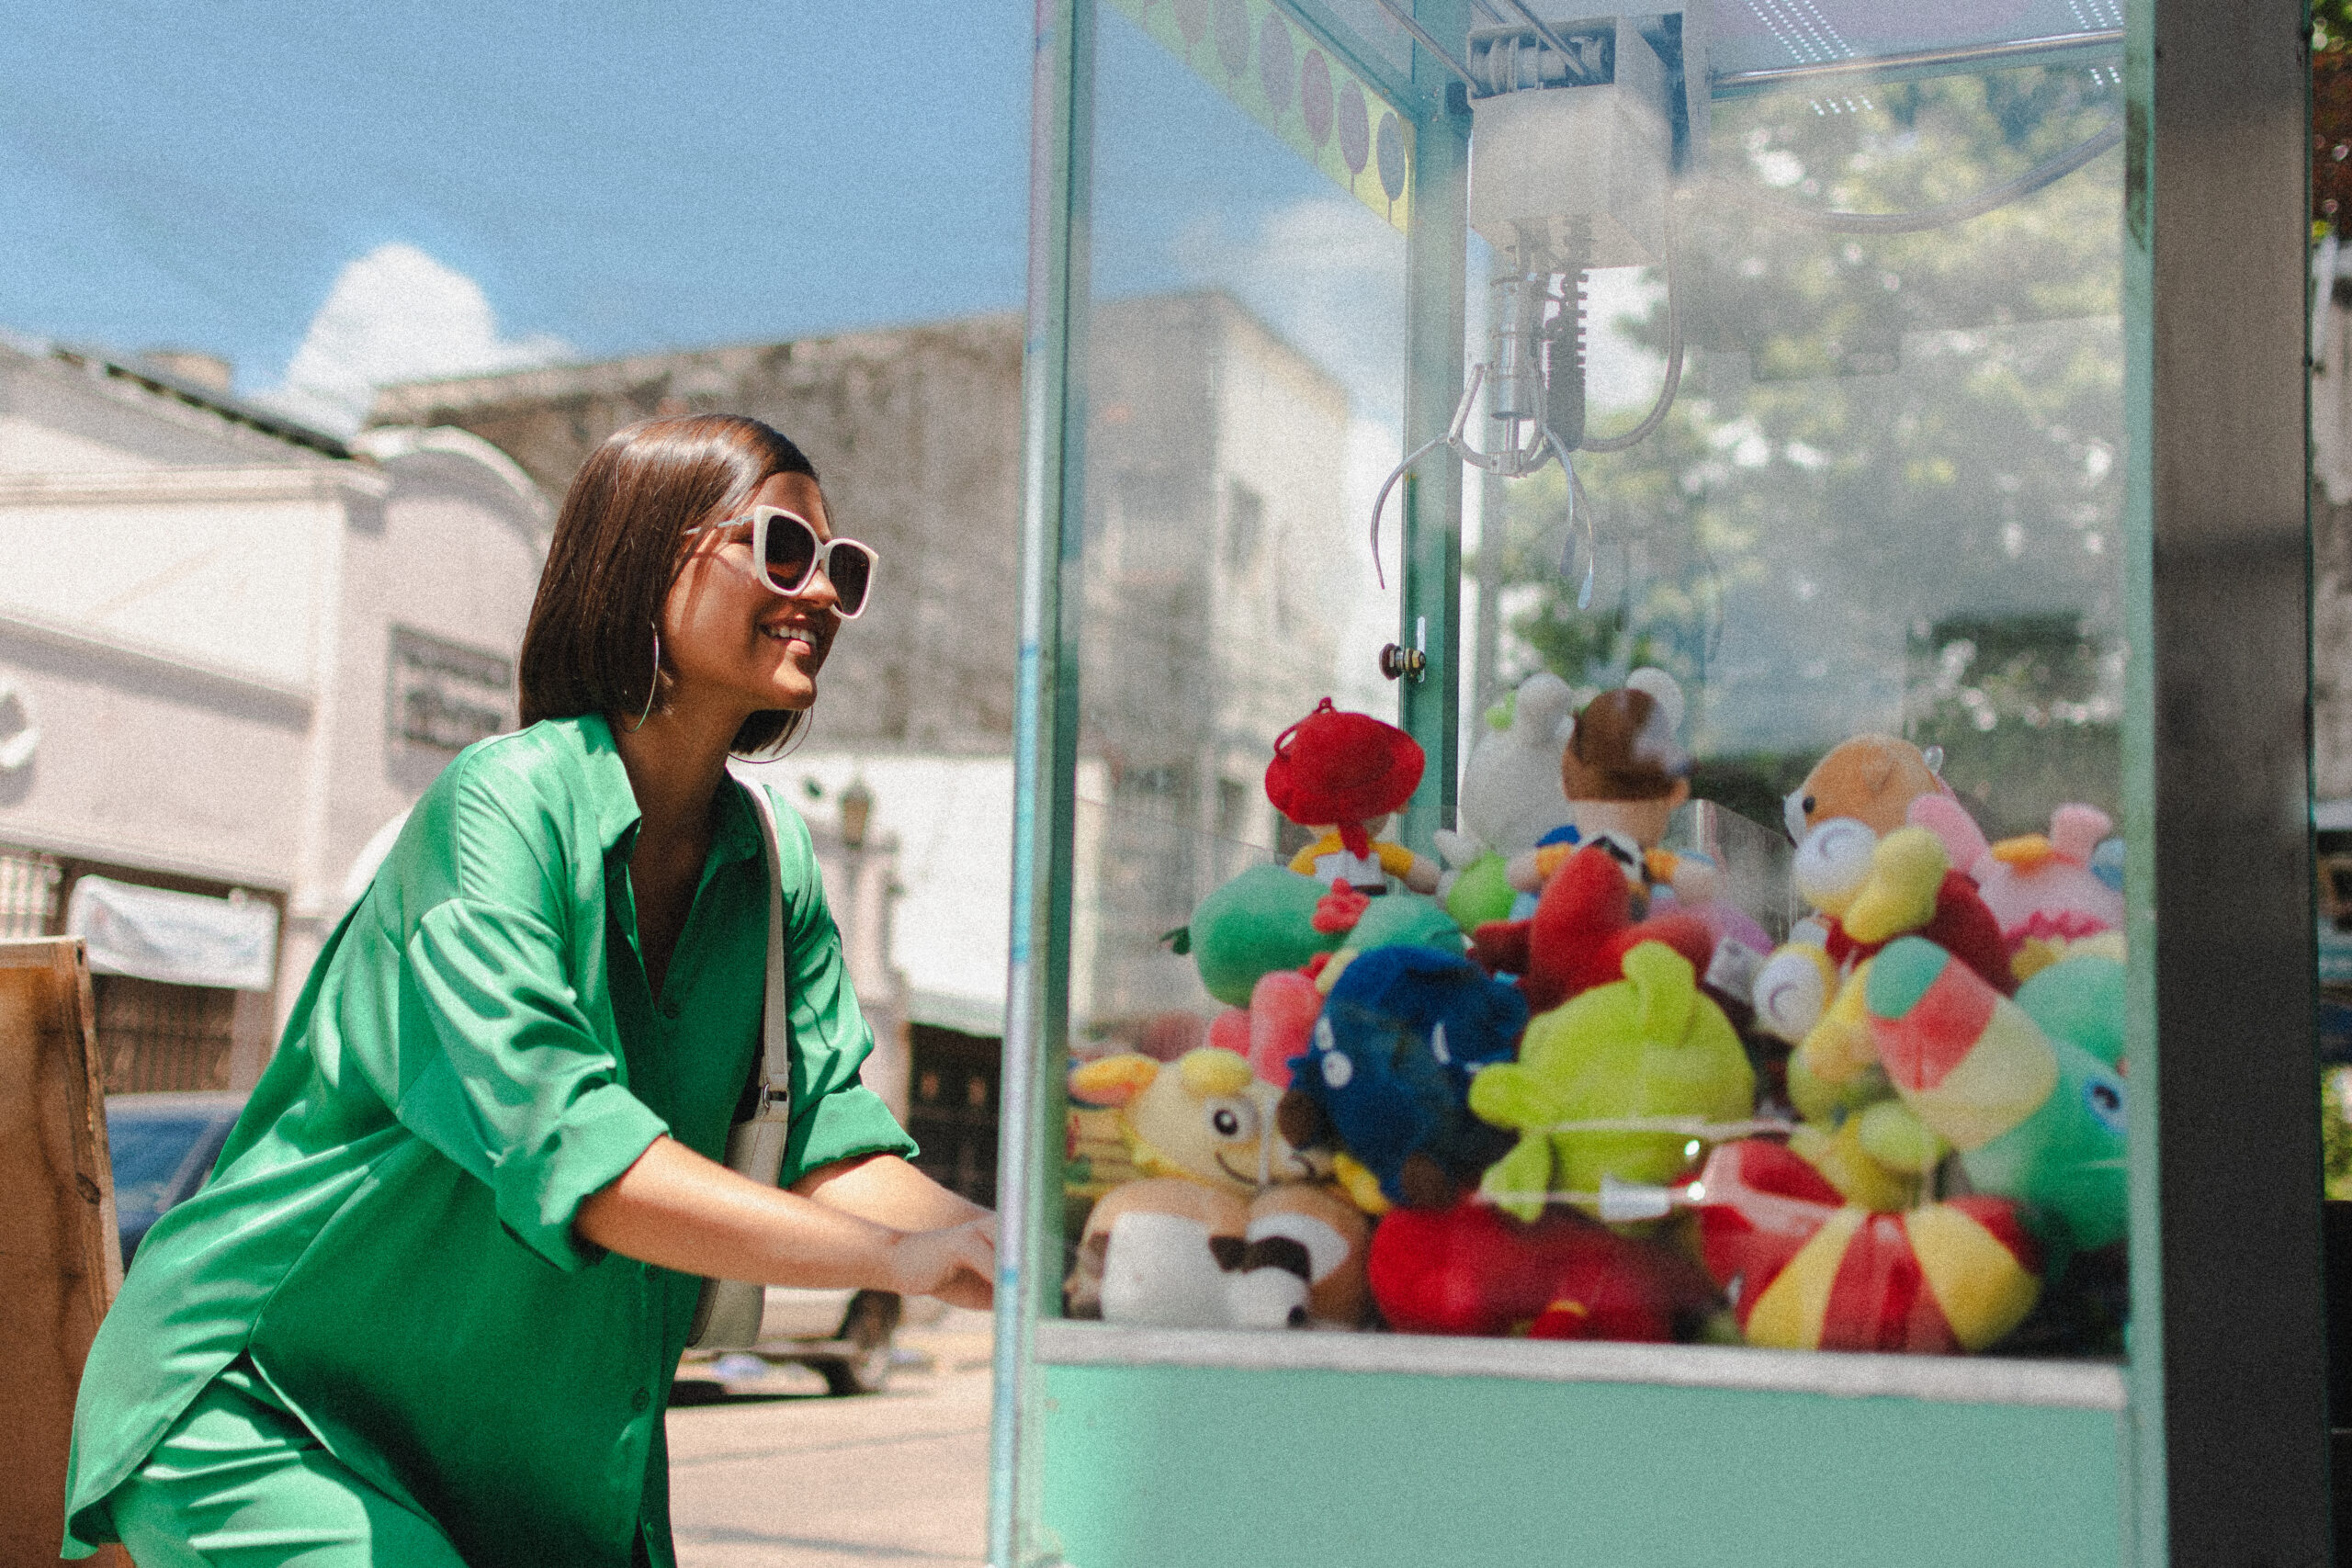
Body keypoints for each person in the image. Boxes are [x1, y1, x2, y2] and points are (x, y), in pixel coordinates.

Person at [62, 415, 996, 1568]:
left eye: (839, 569)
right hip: (272, 1410)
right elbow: (569, 1149)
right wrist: (884, 1260)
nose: (820, 596)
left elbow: (826, 1144)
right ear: (647, 559)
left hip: (537, 1452)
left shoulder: (773, 864)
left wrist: (995, 1248)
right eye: (783, 550)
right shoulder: (498, 806)